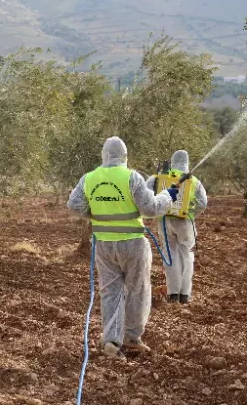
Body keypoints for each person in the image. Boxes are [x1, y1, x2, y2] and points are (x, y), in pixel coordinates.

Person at [67, 136, 174, 357]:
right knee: (137, 290)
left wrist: (94, 215)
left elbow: (74, 204)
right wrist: (166, 196)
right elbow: (150, 209)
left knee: (111, 292)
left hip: (104, 245)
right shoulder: (131, 177)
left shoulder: (90, 178)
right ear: (125, 156)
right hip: (133, 244)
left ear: (103, 155)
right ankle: (132, 337)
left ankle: (111, 341)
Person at [147, 150, 208, 305]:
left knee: (170, 256)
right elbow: (203, 203)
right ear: (187, 162)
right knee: (186, 256)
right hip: (184, 223)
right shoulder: (193, 180)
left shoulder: (160, 177)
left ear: (173, 161)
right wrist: (190, 213)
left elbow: (147, 193)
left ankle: (173, 294)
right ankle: (184, 295)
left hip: (165, 221)